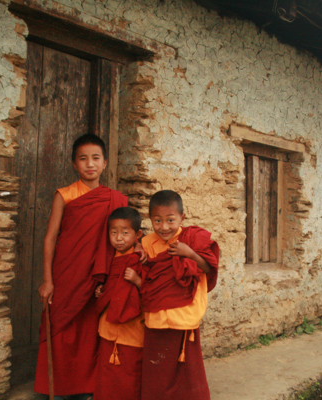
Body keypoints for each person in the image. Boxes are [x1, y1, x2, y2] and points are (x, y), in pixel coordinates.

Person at [34, 134, 128, 400]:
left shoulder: (115, 199)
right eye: (83, 158)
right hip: (67, 272)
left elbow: (125, 235)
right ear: (74, 164)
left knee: (89, 332)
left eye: (95, 158)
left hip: (97, 273)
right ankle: (57, 388)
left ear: (105, 163)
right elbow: (51, 238)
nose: (90, 164)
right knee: (61, 328)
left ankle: (87, 387)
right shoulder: (64, 195)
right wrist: (47, 280)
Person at [140, 190, 220, 400]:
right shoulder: (147, 243)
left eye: (170, 220)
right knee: (157, 371)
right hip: (155, 318)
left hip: (184, 318)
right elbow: (146, 274)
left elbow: (208, 268)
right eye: (157, 220)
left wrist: (189, 254)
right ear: (150, 219)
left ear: (182, 218)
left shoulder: (192, 239)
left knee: (187, 374)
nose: (164, 227)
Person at [93, 207, 145, 400]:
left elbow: (151, 290)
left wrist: (137, 280)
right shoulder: (108, 257)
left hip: (131, 327)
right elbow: (109, 284)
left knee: (129, 372)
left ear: (137, 235)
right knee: (106, 371)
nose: (118, 238)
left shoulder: (140, 258)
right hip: (108, 325)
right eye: (113, 232)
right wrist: (102, 291)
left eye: (125, 232)